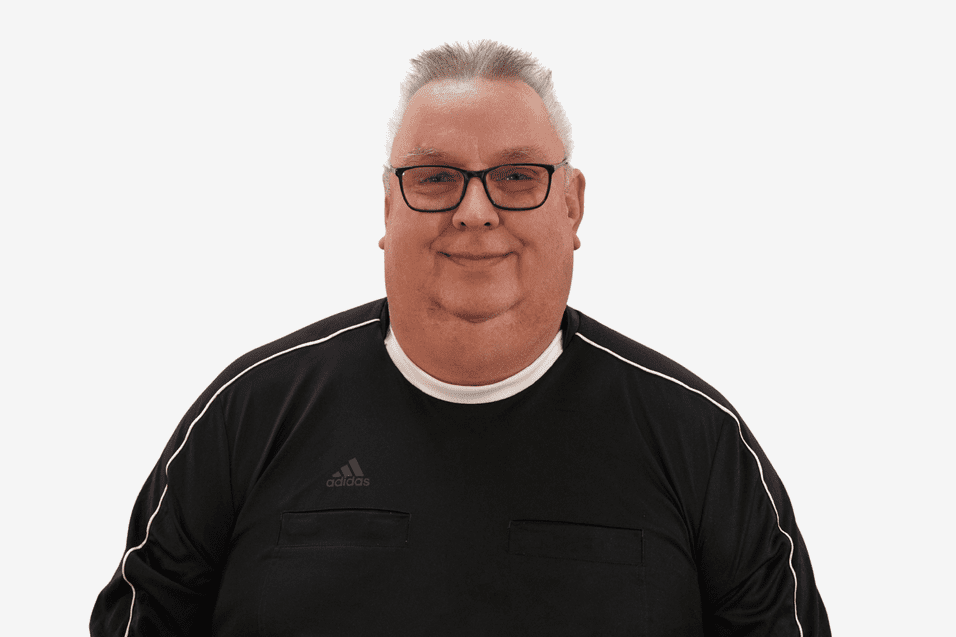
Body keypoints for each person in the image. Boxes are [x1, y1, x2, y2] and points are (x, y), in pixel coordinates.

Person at [91, 40, 830, 636]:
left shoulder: (701, 446)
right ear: (388, 208)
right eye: (436, 178)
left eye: (517, 176)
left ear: (572, 207)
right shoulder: (245, 419)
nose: (475, 211)